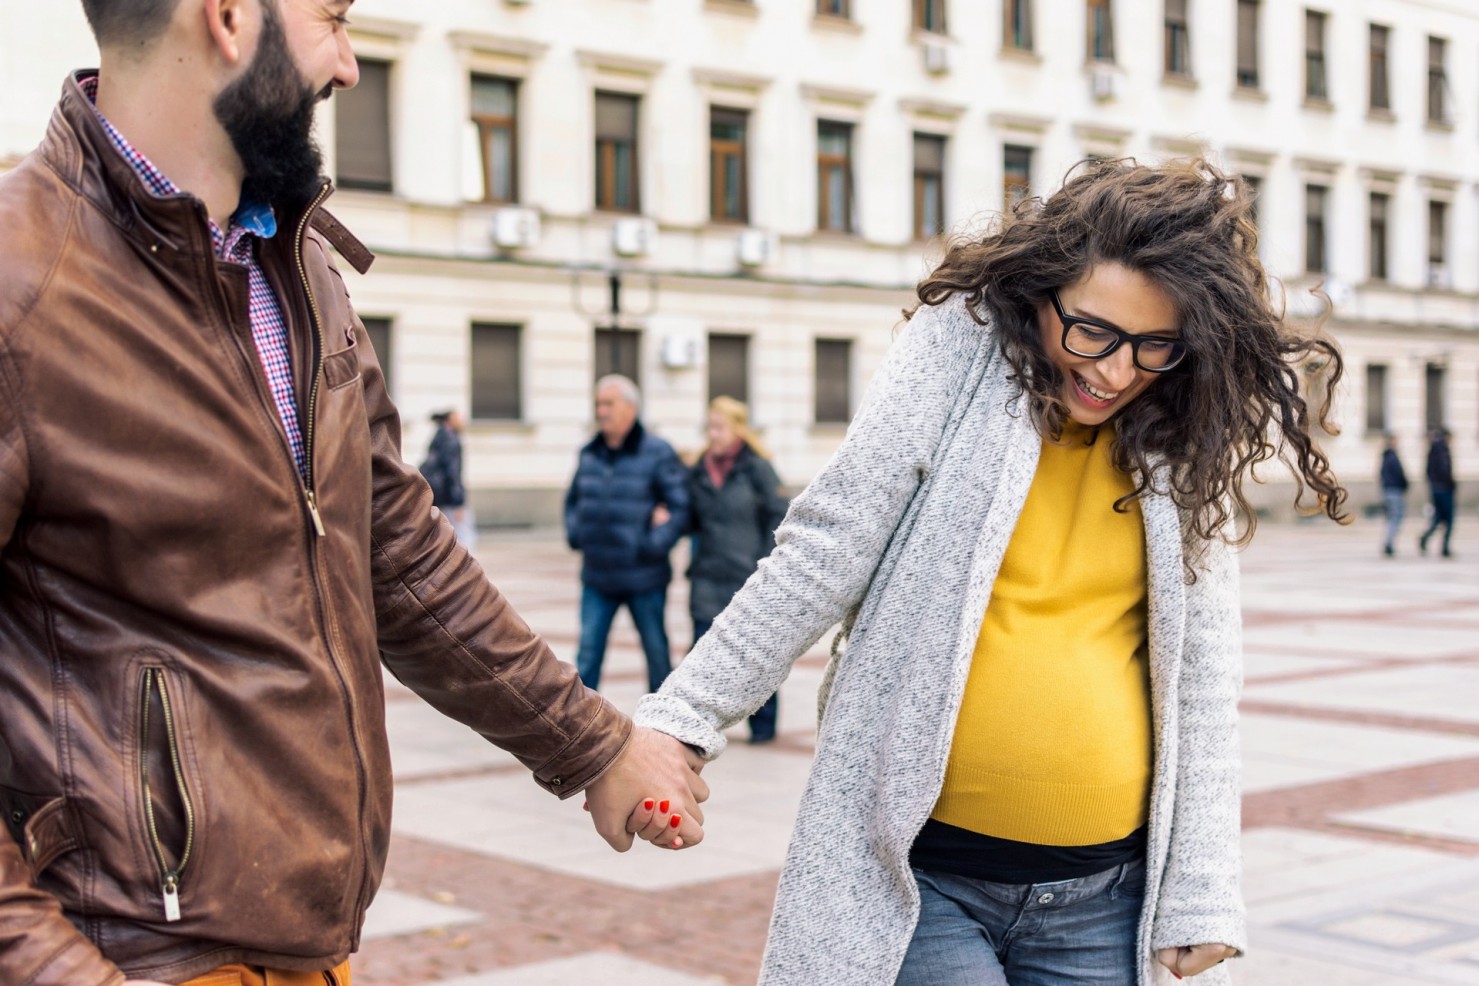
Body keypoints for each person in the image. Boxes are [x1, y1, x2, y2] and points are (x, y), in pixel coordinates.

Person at [0, 4, 705, 985]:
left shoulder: (298, 268)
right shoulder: (21, 284)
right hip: (135, 952)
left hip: (310, 941)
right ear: (231, 17)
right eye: (333, 17)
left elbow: (398, 551)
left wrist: (593, 745)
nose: (349, 65)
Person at [634, 159, 1350, 985]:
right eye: (1092, 332)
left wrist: (1203, 888)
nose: (1114, 371)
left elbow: (1202, 676)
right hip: (919, 881)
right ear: (1040, 291)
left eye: (1153, 346)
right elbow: (824, 547)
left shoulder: (1183, 430)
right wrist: (685, 716)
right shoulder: (957, 350)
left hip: (1108, 900)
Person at [565, 375, 690, 693]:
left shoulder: (657, 451)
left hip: (643, 576)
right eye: (598, 404)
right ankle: (582, 728)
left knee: (656, 653)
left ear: (631, 408)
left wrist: (653, 545)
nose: (601, 411)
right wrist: (577, 534)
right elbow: (573, 500)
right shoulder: (589, 452)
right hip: (597, 575)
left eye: (609, 404)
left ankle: (664, 726)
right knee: (589, 654)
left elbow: (680, 506)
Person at [685, 397, 790, 743]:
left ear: (736, 429)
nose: (712, 435)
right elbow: (689, 516)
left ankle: (763, 727)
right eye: (710, 427)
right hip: (707, 573)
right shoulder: (699, 468)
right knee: (701, 652)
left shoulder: (758, 467)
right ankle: (697, 727)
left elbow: (779, 516)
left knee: (754, 655)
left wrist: (763, 563)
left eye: (719, 427)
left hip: (747, 576)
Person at [422, 409, 475, 546]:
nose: (462, 421)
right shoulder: (451, 440)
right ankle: (465, 566)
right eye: (459, 417)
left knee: (443, 535)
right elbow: (453, 471)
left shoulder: (438, 437)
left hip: (438, 495)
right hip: (449, 497)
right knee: (463, 534)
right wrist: (458, 502)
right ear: (450, 420)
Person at [1419, 427, 1456, 558]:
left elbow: (1428, 471)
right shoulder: (1442, 450)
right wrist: (1450, 484)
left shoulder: (1433, 449)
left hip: (1436, 488)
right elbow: (1444, 470)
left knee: (1439, 517)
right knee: (1449, 519)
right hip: (1444, 488)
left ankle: (1425, 537)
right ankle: (1445, 546)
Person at [1379, 434, 1408, 556]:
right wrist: (1405, 484)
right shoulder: (1392, 457)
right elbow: (1399, 474)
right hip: (1394, 490)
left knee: (1392, 517)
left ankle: (1389, 542)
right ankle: (1389, 543)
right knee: (1395, 517)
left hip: (1388, 490)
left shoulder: (1385, 457)